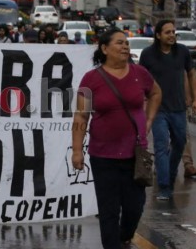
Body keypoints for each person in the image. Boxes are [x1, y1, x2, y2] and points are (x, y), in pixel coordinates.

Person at [73, 29, 161, 249]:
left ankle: (123, 237)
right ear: (104, 48)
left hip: (135, 153)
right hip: (102, 155)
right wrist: (77, 151)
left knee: (135, 206)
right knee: (109, 209)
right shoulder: (91, 79)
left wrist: (149, 119)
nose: (125, 47)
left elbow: (156, 93)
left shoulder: (140, 73)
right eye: (119, 43)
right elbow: (81, 115)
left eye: (127, 44)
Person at [139, 20, 196, 200]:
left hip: (179, 109)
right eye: (167, 32)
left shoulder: (182, 52)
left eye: (173, 32)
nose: (172, 35)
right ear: (158, 35)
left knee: (180, 143)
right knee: (161, 147)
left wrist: (195, 99)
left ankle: (170, 174)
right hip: (157, 110)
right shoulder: (148, 54)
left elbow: (191, 74)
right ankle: (165, 187)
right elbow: (141, 79)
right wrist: (142, 101)